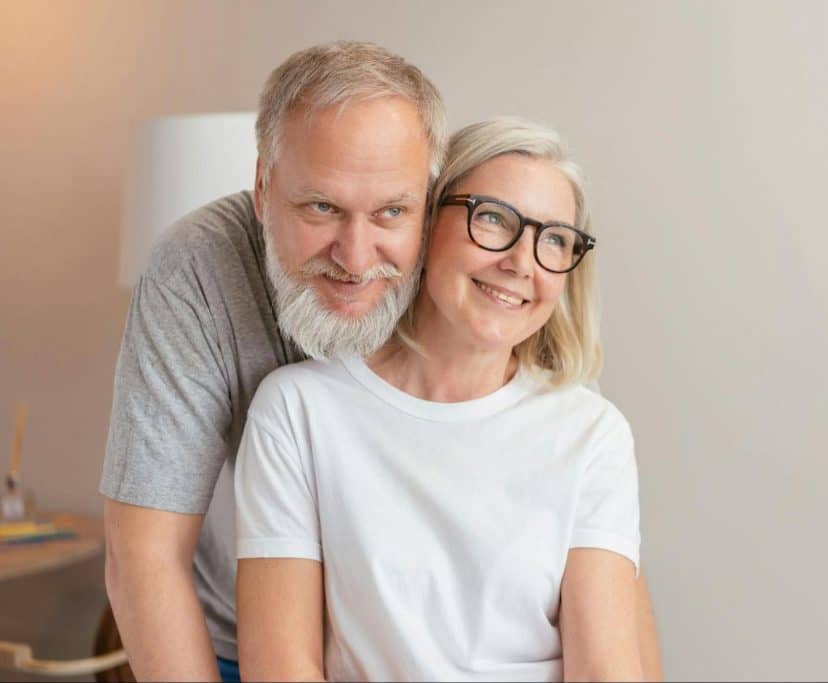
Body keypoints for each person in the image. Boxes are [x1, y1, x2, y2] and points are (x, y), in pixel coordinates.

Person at [101, 41, 661, 682]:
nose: (357, 256)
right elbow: (144, 558)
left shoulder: (515, 327)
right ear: (263, 188)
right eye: (321, 207)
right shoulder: (204, 282)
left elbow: (598, 551)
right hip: (229, 639)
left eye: (392, 211)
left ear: (427, 201)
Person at [235, 117, 647, 681]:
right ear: (425, 226)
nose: (522, 263)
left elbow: (605, 670)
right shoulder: (300, 410)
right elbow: (279, 668)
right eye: (495, 219)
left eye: (554, 239)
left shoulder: (591, 433)